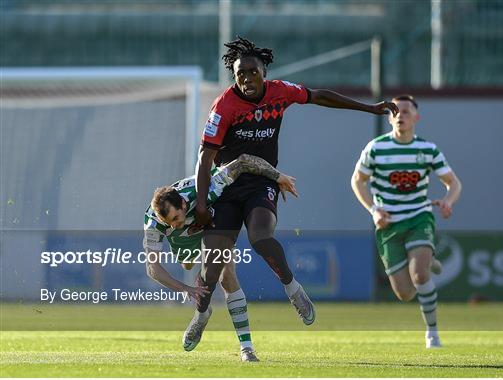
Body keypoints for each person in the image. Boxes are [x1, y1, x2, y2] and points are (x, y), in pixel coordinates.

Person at [190, 36, 399, 346]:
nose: (247, 78)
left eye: (252, 71)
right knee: (211, 270)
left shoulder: (280, 92)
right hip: (226, 187)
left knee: (261, 238)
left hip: (262, 182)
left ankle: (293, 289)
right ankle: (201, 316)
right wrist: (203, 205)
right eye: (240, 73)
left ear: (264, 69)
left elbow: (319, 96)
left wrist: (369, 108)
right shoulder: (224, 106)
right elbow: (205, 157)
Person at [143, 153, 298, 362]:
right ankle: (202, 314)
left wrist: (278, 177)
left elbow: (242, 162)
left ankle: (246, 348)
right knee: (189, 266)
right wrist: (186, 289)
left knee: (227, 276)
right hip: (182, 242)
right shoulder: (153, 222)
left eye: (176, 218)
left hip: (210, 226)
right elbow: (153, 269)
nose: (173, 224)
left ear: (182, 202)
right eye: (168, 222)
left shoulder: (204, 188)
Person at [351, 94, 462, 348]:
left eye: (406, 111)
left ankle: (432, 333)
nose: (400, 115)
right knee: (404, 293)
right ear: (389, 118)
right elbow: (357, 181)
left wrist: (448, 201)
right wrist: (374, 210)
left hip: (418, 217)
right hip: (388, 224)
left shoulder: (427, 149)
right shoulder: (376, 148)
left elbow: (453, 183)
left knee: (420, 274)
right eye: (395, 111)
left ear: (416, 117)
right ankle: (428, 259)